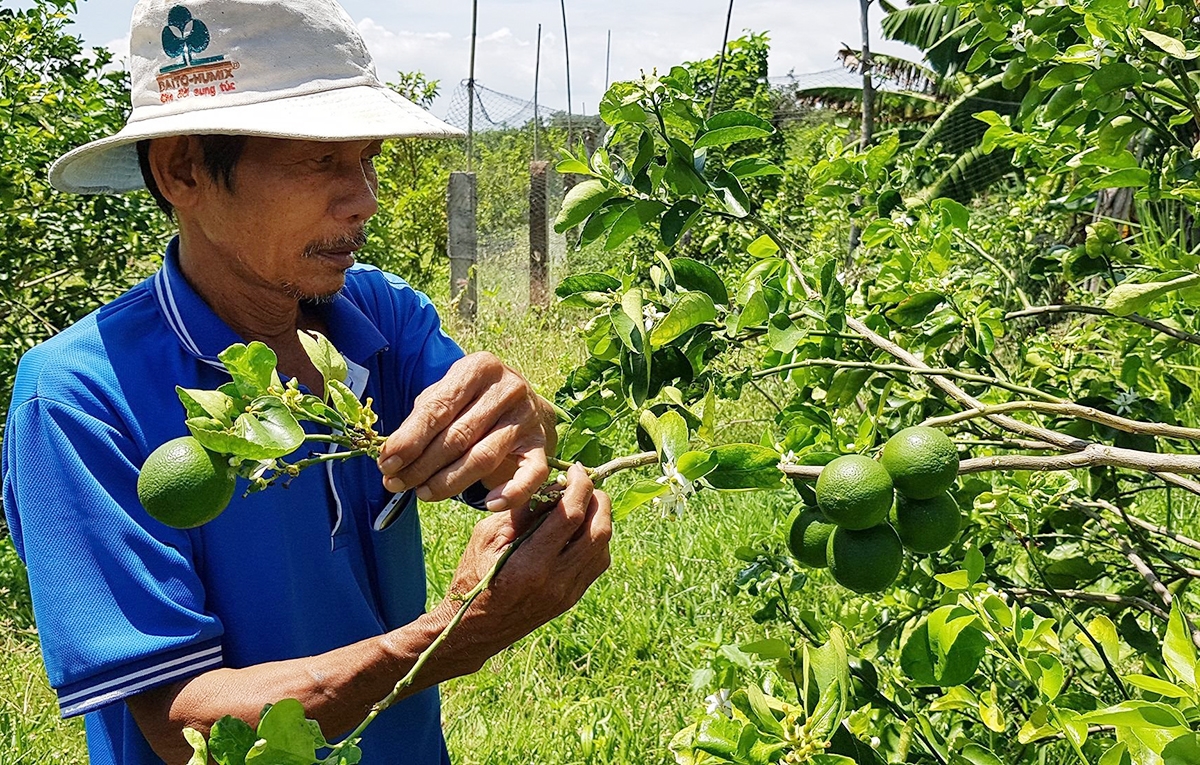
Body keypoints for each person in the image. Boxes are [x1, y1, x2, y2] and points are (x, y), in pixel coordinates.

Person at [0, 1, 613, 763]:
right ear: (183, 169)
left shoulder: (380, 316)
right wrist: (454, 630)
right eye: (322, 161)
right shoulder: (78, 401)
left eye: (367, 159)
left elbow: (506, 466)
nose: (365, 199)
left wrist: (530, 427)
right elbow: (186, 723)